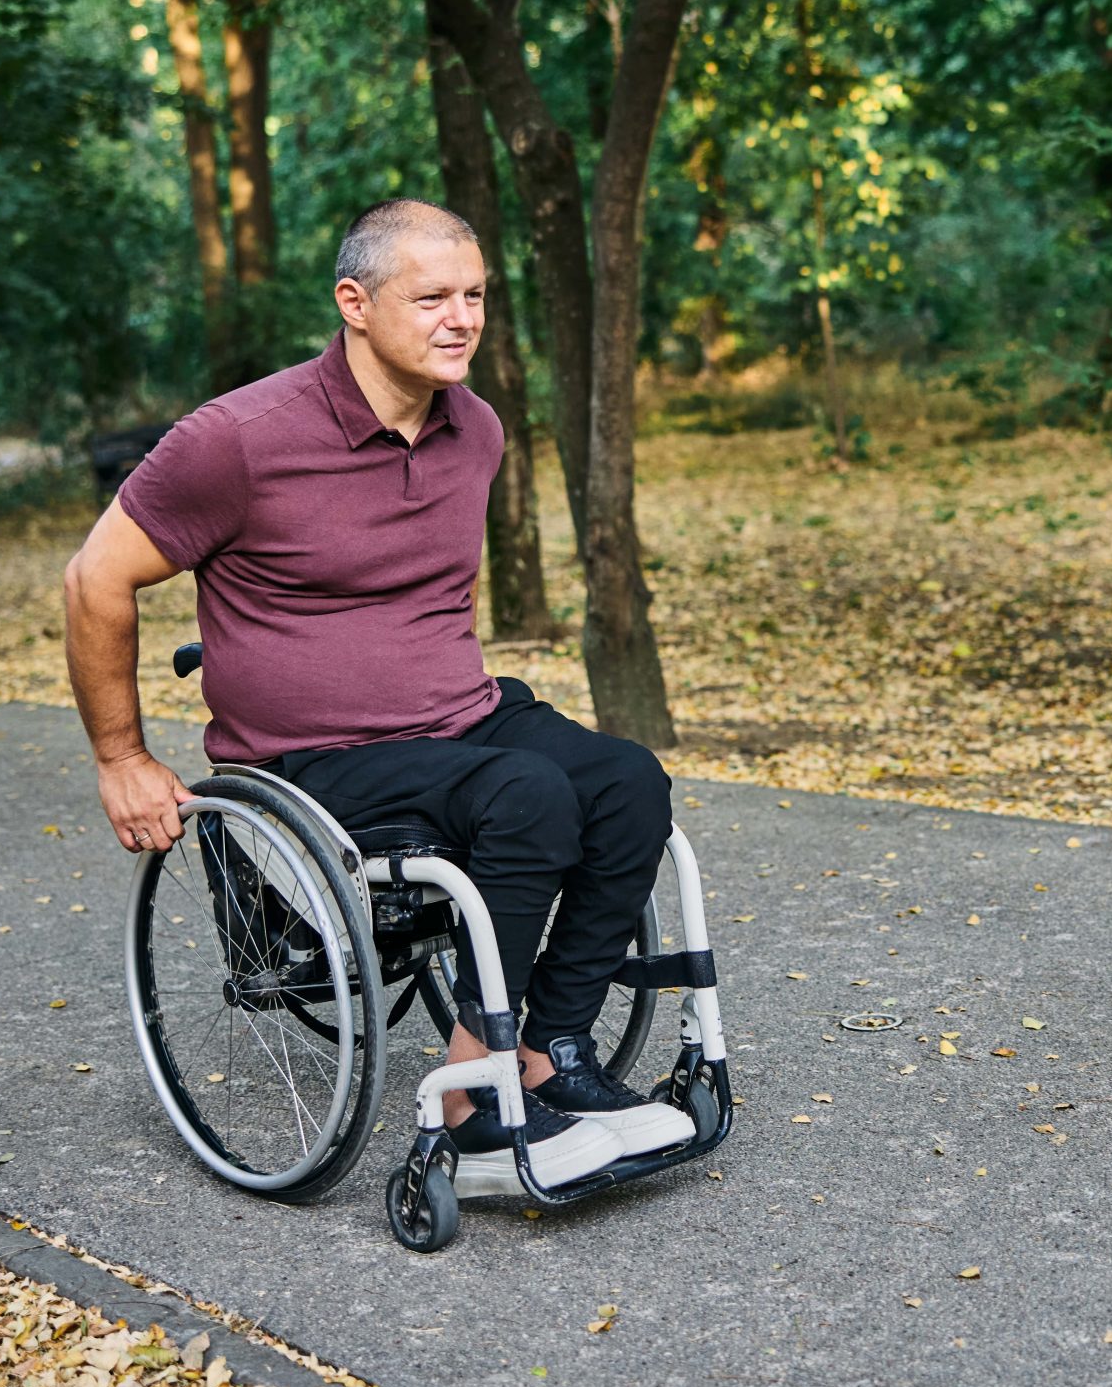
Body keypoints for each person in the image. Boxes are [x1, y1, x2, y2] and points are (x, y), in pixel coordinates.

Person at [61, 199, 693, 1190]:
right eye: (431, 296)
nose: (462, 318)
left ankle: (553, 1052)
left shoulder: (473, 429)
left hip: (458, 721)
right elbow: (93, 578)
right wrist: (120, 756)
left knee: (625, 780)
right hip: (315, 758)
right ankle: (468, 1100)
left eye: (476, 295)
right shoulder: (237, 440)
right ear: (353, 303)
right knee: (526, 797)